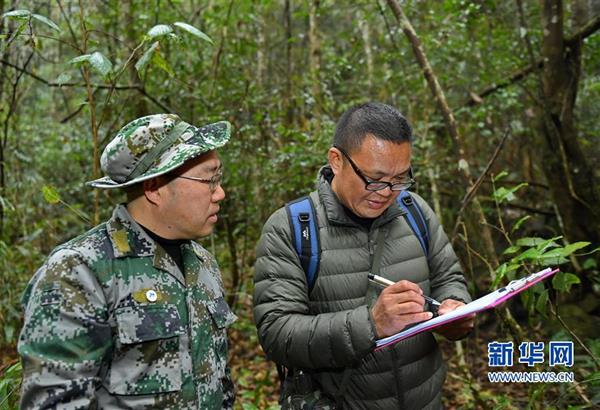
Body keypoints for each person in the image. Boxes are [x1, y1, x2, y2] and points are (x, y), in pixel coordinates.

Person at [253, 102, 474, 409]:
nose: (386, 191)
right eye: (374, 178)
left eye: (400, 178)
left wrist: (454, 309)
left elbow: (448, 277)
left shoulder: (414, 211)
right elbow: (278, 334)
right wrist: (370, 325)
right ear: (336, 161)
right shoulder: (292, 228)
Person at [18, 114, 237, 409]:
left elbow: (218, 382)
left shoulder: (203, 264)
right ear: (155, 188)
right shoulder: (79, 271)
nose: (220, 193)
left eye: (218, 179)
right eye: (209, 180)